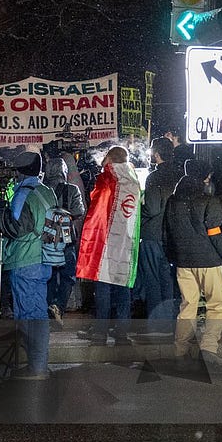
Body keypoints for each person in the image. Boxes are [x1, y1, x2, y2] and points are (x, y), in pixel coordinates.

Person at [165, 160, 222, 367]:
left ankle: (180, 352)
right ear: (205, 177)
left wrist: (173, 258)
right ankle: (208, 348)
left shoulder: (173, 201)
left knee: (187, 306)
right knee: (215, 306)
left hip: (183, 262)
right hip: (209, 261)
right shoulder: (209, 201)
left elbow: (166, 234)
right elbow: (216, 236)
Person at [0, 151, 58, 380]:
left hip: (25, 260)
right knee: (36, 310)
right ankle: (37, 363)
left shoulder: (24, 193)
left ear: (19, 170)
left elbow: (16, 228)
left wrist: (2, 211)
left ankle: (37, 367)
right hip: (45, 258)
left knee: (29, 314)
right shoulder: (46, 191)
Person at [75, 146, 141, 346]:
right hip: (126, 242)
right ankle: (121, 332)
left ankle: (100, 332)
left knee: (103, 286)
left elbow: (97, 204)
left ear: (110, 159)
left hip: (106, 242)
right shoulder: (134, 181)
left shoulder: (106, 179)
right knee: (122, 288)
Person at [136, 136, 179, 329]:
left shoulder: (154, 178)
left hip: (153, 234)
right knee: (168, 278)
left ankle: (156, 323)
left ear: (157, 154)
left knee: (152, 279)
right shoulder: (178, 175)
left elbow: (152, 208)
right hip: (172, 234)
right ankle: (169, 320)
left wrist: (139, 212)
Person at [44, 152, 87, 321]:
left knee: (50, 274)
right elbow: (79, 211)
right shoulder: (72, 189)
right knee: (69, 274)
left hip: (47, 237)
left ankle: (48, 306)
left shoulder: (42, 189)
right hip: (67, 236)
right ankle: (58, 306)